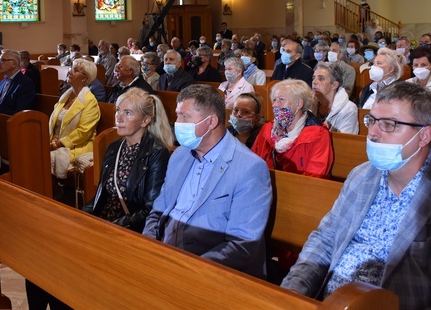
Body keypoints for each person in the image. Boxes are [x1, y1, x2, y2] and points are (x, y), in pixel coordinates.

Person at [282, 82, 431, 309]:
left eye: (389, 124)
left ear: (424, 135)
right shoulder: (362, 175)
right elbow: (325, 239)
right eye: (372, 121)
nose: (373, 133)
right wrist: (291, 294)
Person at [143, 84, 272, 278]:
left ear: (211, 121)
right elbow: (158, 211)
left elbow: (243, 244)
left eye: (184, 117)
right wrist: (148, 248)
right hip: (163, 256)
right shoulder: (180, 154)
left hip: (207, 269)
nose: (177, 122)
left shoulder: (249, 167)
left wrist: (187, 269)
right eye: (178, 115)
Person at [83, 88, 172, 230]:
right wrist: (82, 216)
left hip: (129, 228)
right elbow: (102, 193)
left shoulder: (156, 153)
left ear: (145, 120)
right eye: (118, 110)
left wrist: (114, 226)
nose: (118, 118)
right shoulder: (114, 147)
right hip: (104, 222)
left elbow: (150, 209)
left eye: (128, 113)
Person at [252, 80, 334, 178]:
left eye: (281, 99)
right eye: (274, 99)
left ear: (299, 104)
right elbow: (252, 163)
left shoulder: (318, 135)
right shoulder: (267, 129)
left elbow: (315, 176)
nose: (275, 105)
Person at [49, 59, 100, 179]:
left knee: (44, 157)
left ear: (84, 77)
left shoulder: (90, 101)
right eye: (71, 68)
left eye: (75, 70)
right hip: (55, 142)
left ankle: (51, 192)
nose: (69, 72)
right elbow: (53, 123)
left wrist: (58, 144)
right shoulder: (66, 96)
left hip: (76, 146)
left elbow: (83, 132)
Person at [311, 63, 358, 135]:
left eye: (321, 78)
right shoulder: (311, 104)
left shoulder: (349, 109)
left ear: (334, 85)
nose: (314, 82)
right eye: (313, 78)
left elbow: (345, 141)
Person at [0, 49, 36, 114]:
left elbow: (20, 112)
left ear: (14, 63)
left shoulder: (25, 83)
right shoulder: (2, 82)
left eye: (3, 60)